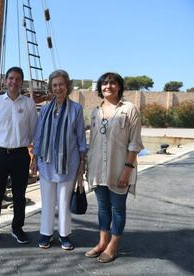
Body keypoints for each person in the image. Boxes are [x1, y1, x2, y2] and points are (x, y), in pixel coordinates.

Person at [86, 72, 143, 263]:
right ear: (100, 88)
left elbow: (135, 143)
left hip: (119, 169)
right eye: (104, 83)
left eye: (112, 83)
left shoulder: (129, 109)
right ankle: (103, 242)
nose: (107, 86)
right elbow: (92, 143)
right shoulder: (96, 112)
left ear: (119, 87)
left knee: (118, 209)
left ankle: (114, 245)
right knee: (103, 209)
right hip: (97, 169)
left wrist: (127, 169)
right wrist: (88, 168)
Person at [31, 70, 87, 250]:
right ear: (51, 87)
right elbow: (38, 135)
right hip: (46, 163)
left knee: (63, 201)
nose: (58, 88)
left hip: (68, 163)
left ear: (67, 86)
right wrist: (34, 158)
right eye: (54, 85)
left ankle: (64, 235)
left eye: (61, 84)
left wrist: (82, 162)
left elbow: (80, 138)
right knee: (47, 200)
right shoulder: (45, 109)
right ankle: (46, 233)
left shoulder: (76, 109)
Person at [0, 67, 38, 245]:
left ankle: (17, 228)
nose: (14, 82)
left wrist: (23, 145)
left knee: (19, 194)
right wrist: (1, 141)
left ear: (22, 82)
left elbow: (33, 130)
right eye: (11, 78)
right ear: (6, 81)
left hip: (20, 154)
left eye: (18, 79)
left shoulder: (28, 104)